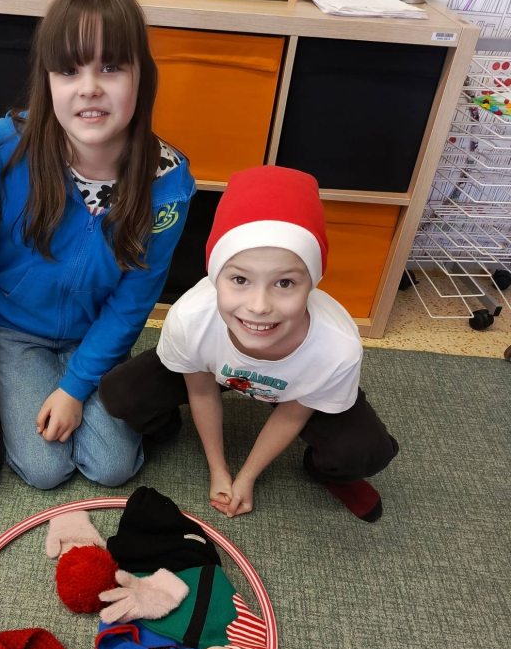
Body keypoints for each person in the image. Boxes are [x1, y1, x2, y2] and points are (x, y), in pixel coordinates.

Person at [0, 0, 195, 490]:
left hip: (95, 334)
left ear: (142, 77)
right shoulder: (8, 145)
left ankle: (111, 394)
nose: (90, 87)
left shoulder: (168, 184)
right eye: (69, 69)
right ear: (47, 79)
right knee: (45, 469)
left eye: (111, 67)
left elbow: (133, 301)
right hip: (12, 330)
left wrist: (75, 387)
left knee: (112, 467)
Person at [100, 166, 399, 522]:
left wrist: (246, 477)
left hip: (294, 389)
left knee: (367, 451)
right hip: (215, 371)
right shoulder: (191, 317)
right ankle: (167, 428)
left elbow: (292, 413)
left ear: (313, 283)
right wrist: (218, 469)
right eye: (240, 279)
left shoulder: (336, 347)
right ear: (215, 277)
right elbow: (201, 392)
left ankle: (328, 473)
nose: (259, 306)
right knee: (120, 392)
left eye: (285, 283)